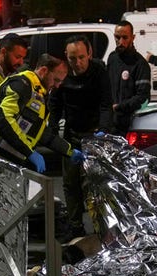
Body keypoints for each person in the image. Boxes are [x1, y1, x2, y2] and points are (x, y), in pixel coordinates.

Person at [49, 35, 113, 239]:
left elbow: (105, 104)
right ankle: (75, 226)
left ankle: (100, 229)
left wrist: (103, 130)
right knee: (70, 184)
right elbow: (55, 104)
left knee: (95, 186)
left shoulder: (99, 72)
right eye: (72, 58)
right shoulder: (63, 74)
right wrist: (51, 134)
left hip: (94, 135)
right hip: (72, 135)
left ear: (90, 54)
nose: (77, 63)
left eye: (81, 57)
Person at [0, 54, 85, 173]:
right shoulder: (22, 84)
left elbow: (39, 131)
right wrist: (29, 152)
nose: (57, 86)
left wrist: (69, 151)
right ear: (43, 70)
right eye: (56, 80)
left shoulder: (37, 92)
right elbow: (3, 118)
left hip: (7, 160)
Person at [107, 20, 151, 136]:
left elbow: (143, 97)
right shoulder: (112, 58)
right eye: (117, 37)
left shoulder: (140, 64)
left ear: (133, 37)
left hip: (129, 126)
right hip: (111, 124)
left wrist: (119, 107)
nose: (121, 42)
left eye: (125, 38)